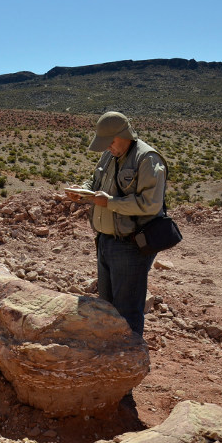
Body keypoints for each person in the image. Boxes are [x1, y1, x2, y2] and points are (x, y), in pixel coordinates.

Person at [65, 111, 168, 336]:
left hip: (130, 245)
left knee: (127, 310)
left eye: (110, 141)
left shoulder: (147, 159)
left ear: (125, 135)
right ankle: (110, 357)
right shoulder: (110, 155)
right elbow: (95, 182)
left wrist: (110, 203)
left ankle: (129, 360)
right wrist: (82, 192)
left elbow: (150, 204)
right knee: (107, 306)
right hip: (105, 240)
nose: (108, 147)